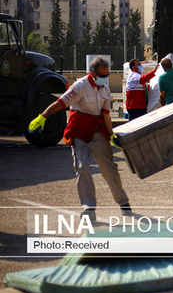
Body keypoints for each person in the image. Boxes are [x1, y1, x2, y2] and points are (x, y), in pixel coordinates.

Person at [28, 56, 131, 221]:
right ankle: (89, 207)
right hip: (79, 131)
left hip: (97, 130)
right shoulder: (80, 86)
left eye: (107, 75)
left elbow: (105, 115)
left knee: (109, 168)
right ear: (92, 73)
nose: (105, 79)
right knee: (82, 167)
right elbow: (61, 103)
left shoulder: (105, 89)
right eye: (102, 75)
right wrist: (43, 116)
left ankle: (123, 202)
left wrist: (111, 134)